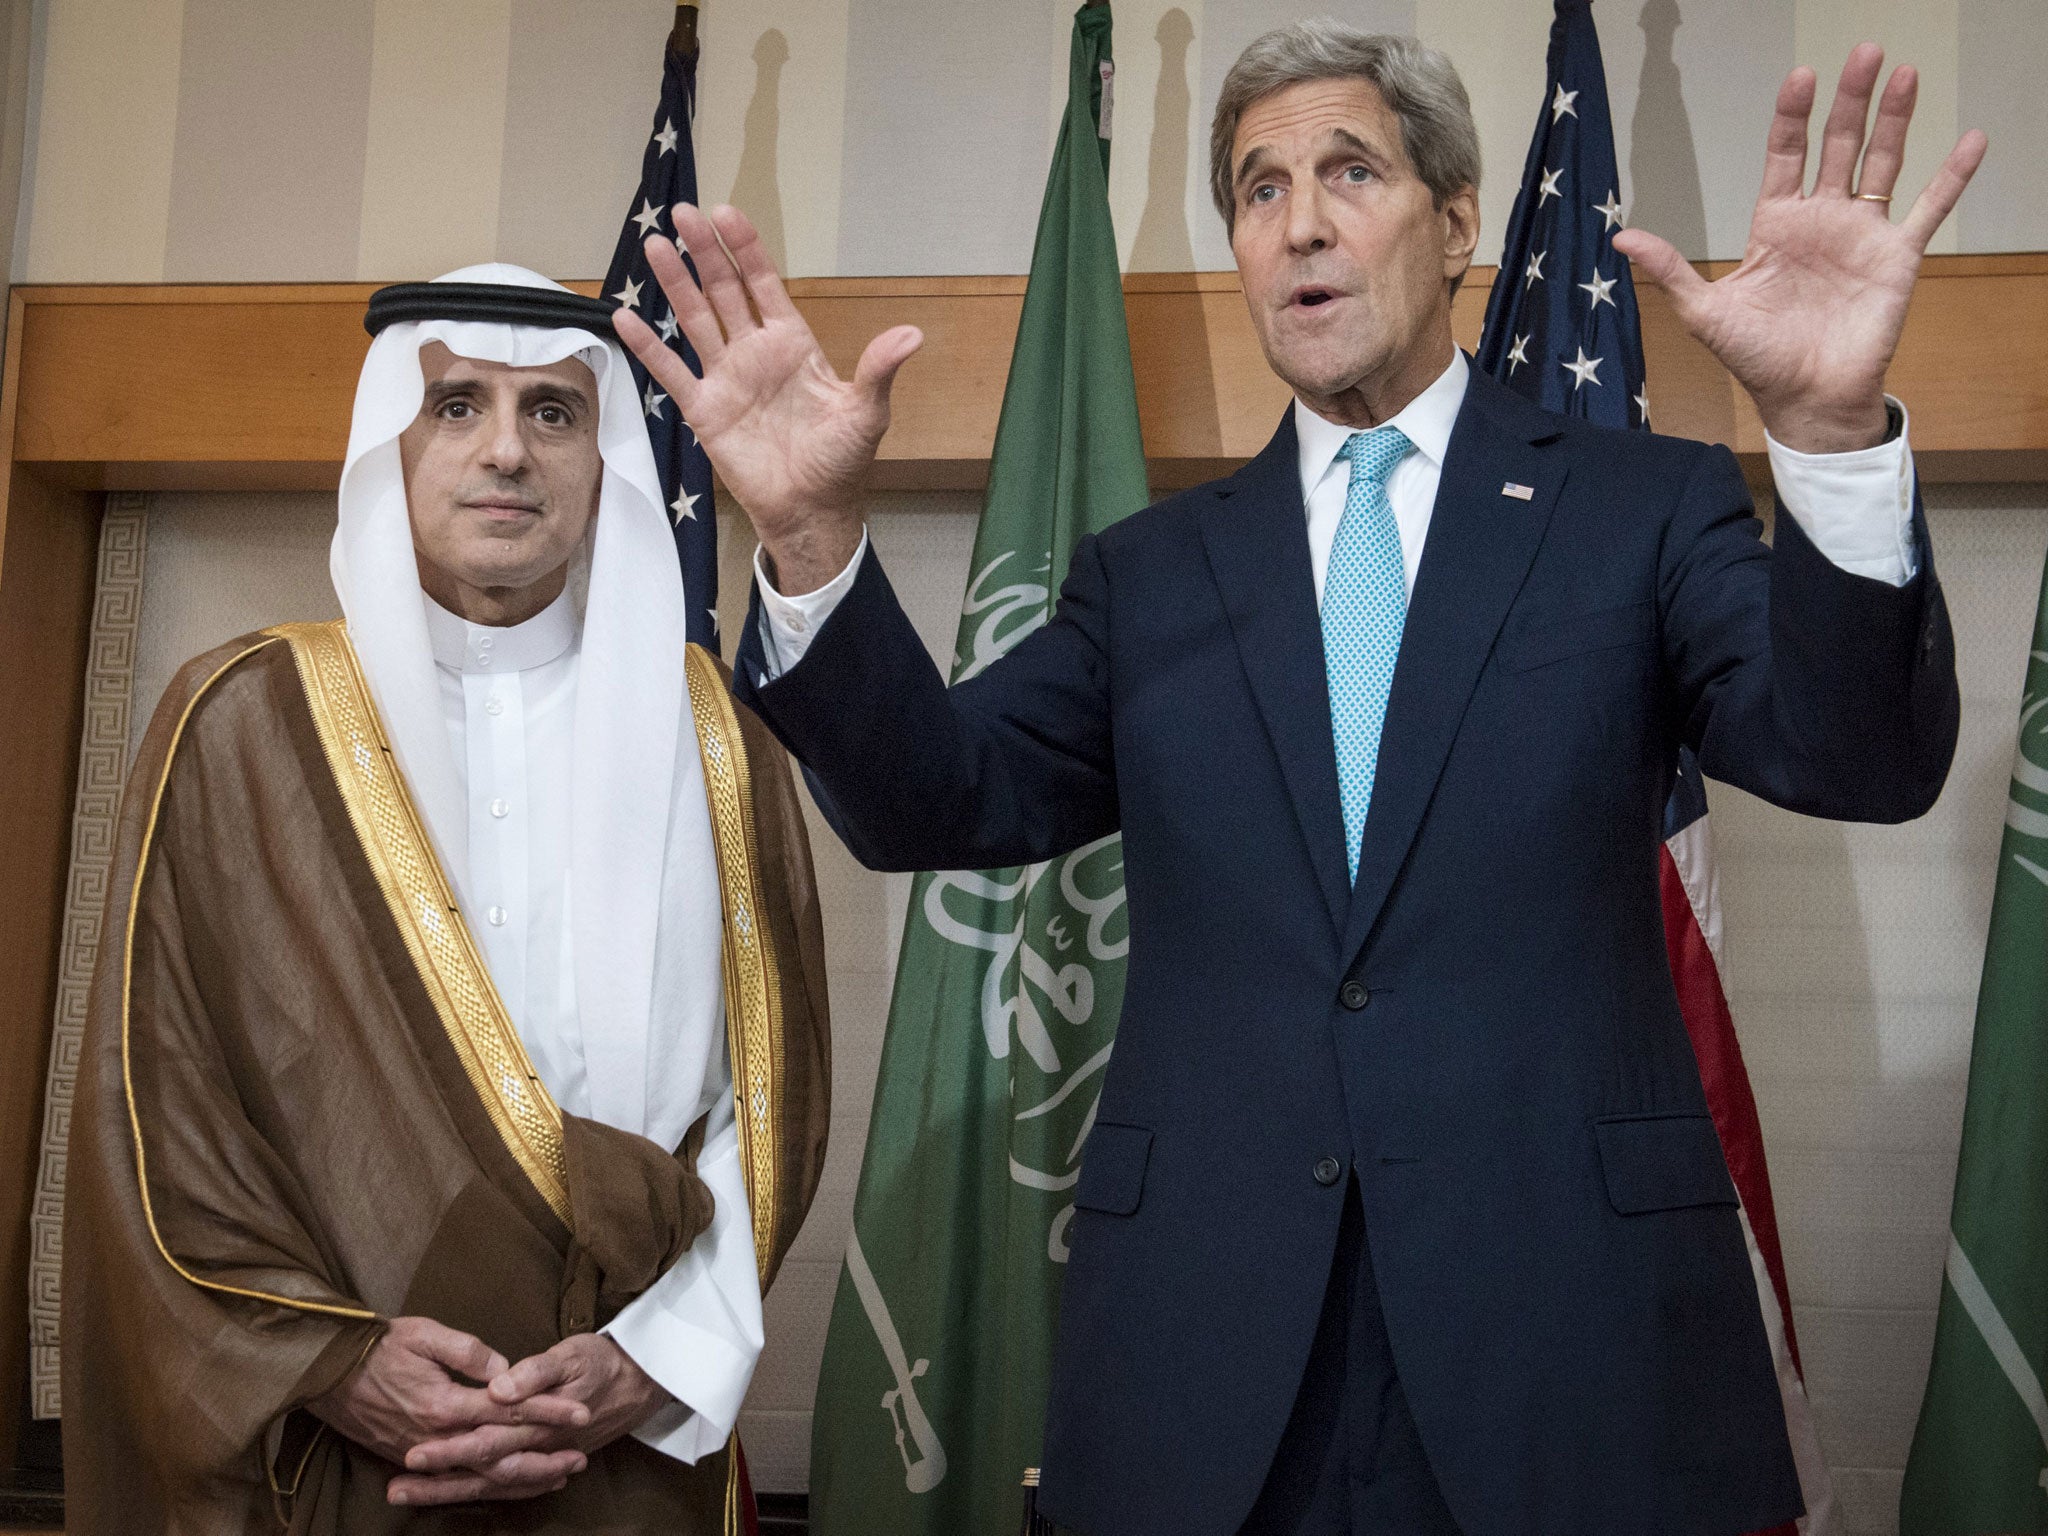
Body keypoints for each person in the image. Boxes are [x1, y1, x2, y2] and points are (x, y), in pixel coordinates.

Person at [619, 24, 1980, 1536]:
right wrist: (809, 539)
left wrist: (1833, 435)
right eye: (1259, 192)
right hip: (1212, 1365)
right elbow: (937, 800)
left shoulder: (1635, 512)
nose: (1301, 222)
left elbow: (1860, 758)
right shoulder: (1152, 576)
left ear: (1458, 220)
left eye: (1350, 170)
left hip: (1570, 1346)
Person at [62, 266, 830, 1532]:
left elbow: (772, 1095)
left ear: (605, 461)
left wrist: (653, 1361)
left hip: (627, 1451)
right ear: (389, 443)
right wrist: (338, 1364)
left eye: (552, 414)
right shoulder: (241, 724)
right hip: (342, 1460)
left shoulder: (712, 738)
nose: (506, 454)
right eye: (458, 405)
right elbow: (155, 1106)